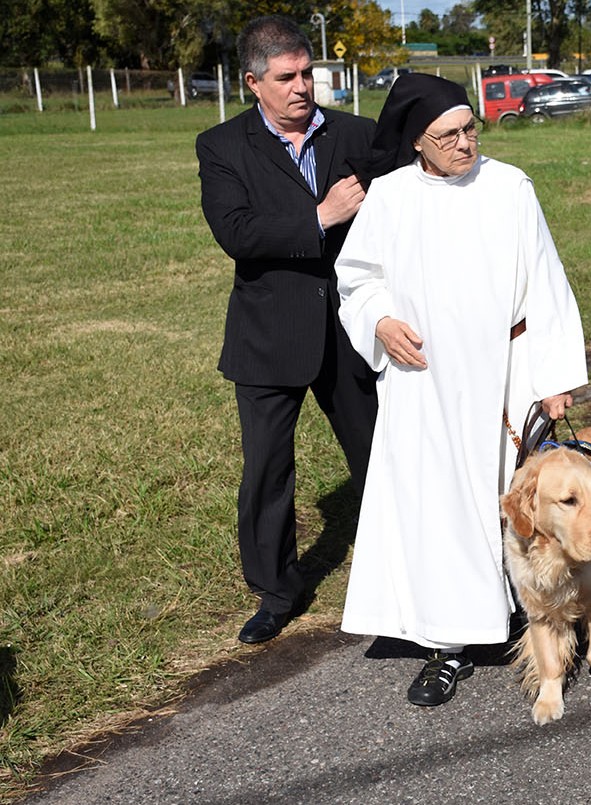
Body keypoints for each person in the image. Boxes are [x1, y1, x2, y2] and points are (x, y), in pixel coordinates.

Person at [334, 73, 587, 707]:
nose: (466, 143)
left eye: (470, 128)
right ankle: (447, 646)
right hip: (426, 384)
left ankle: (533, 623)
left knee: (515, 508)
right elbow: (357, 278)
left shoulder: (510, 187)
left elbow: (545, 281)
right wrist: (381, 321)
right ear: (417, 141)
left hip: (506, 373)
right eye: (448, 135)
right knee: (439, 511)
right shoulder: (390, 197)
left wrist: (554, 380)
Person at [196, 15, 378, 645]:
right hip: (268, 334)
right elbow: (237, 235)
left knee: (380, 456)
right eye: (286, 77)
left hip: (353, 331)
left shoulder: (357, 134)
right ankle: (278, 589)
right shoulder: (220, 147)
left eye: (308, 73)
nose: (302, 87)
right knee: (268, 471)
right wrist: (320, 217)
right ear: (253, 82)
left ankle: (400, 569)